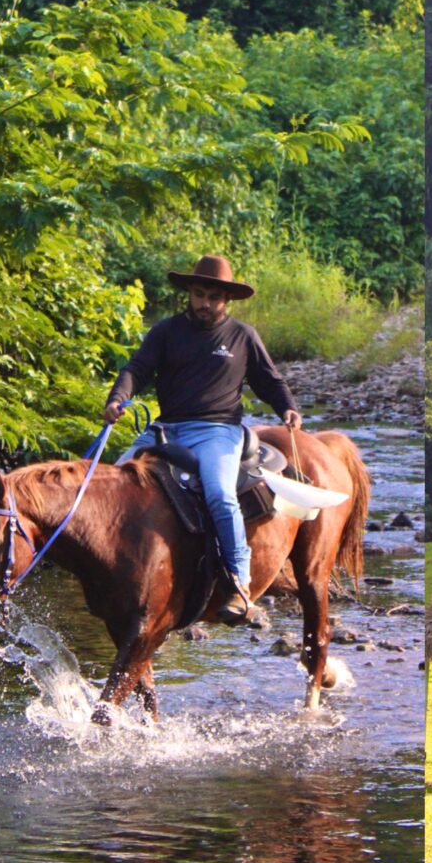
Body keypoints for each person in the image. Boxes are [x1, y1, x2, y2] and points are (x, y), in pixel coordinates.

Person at [103, 255, 301, 624]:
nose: (204, 303)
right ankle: (112, 575)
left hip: (218, 431)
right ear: (189, 294)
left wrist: (286, 407)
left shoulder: (243, 337)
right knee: (110, 485)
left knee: (219, 495)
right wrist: (117, 399)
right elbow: (137, 369)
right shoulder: (166, 332)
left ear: (227, 301)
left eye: (213, 297)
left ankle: (240, 585)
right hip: (166, 428)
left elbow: (268, 380)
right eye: (198, 294)